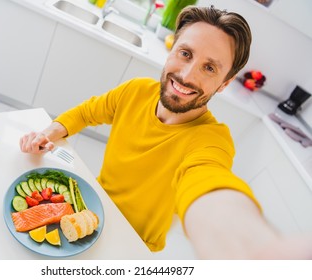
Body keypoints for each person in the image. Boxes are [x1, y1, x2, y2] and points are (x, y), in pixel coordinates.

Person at [19, 6, 312, 259]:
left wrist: (252, 250)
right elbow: (87, 112)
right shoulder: (136, 91)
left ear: (224, 84)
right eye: (186, 54)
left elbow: (208, 182)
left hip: (132, 246)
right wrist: (48, 133)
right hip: (89, 207)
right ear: (171, 48)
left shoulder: (211, 140)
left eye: (210, 68)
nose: (187, 76)